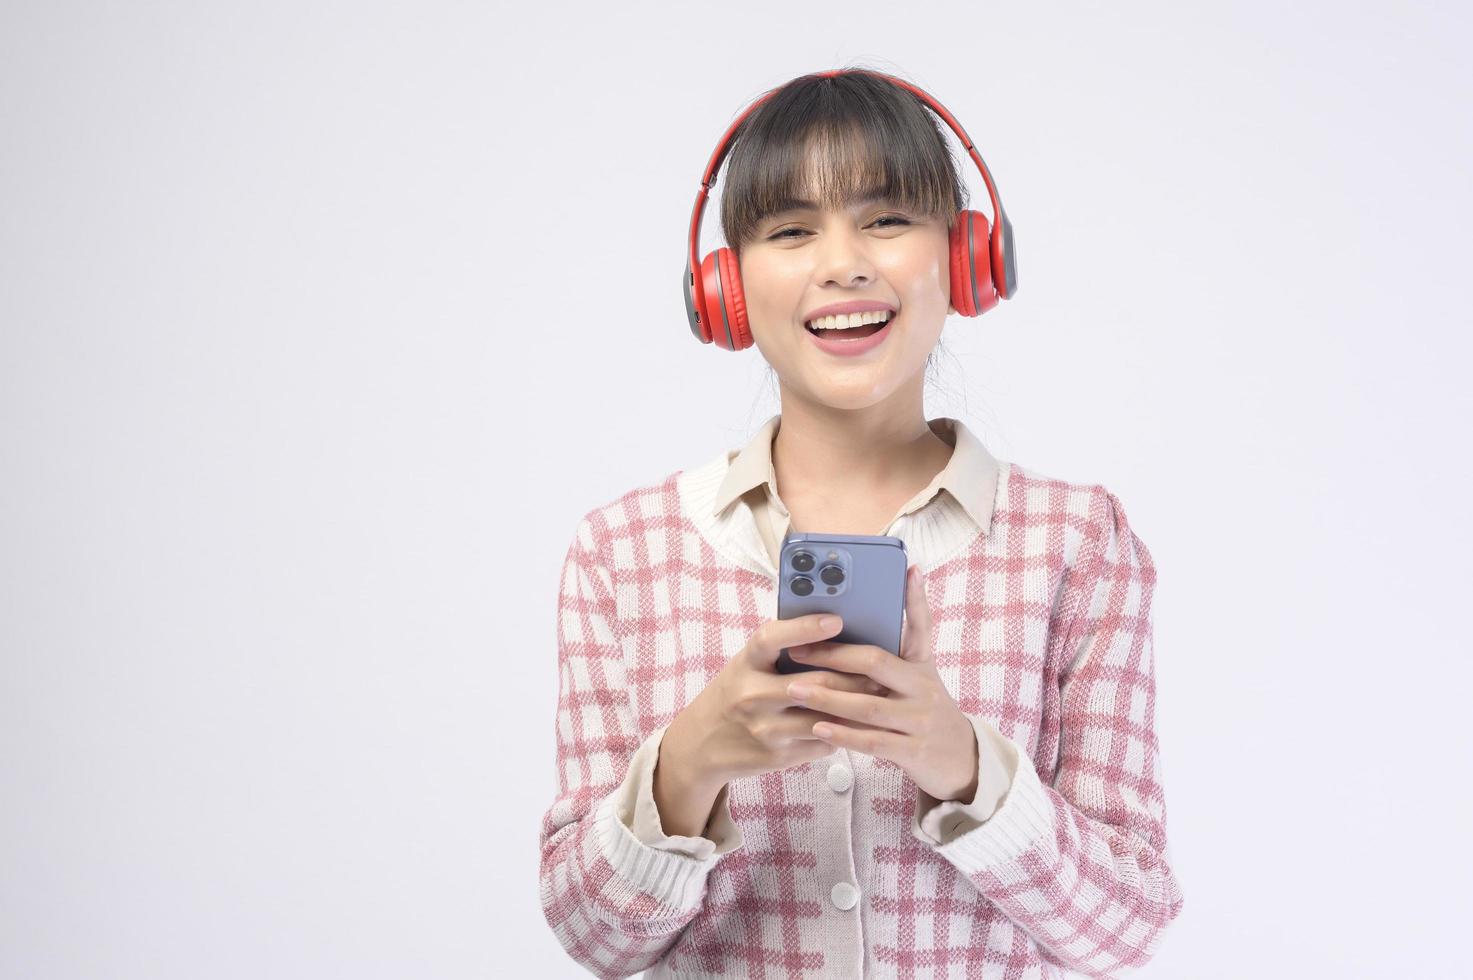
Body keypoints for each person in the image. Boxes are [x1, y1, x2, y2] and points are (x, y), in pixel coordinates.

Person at [537, 66, 1183, 979]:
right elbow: (591, 939)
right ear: (724, 288)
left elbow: (1127, 928)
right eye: (791, 230)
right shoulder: (622, 554)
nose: (842, 262)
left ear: (964, 259)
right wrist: (687, 763)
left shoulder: (1075, 543)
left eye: (886, 220)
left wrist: (962, 765)